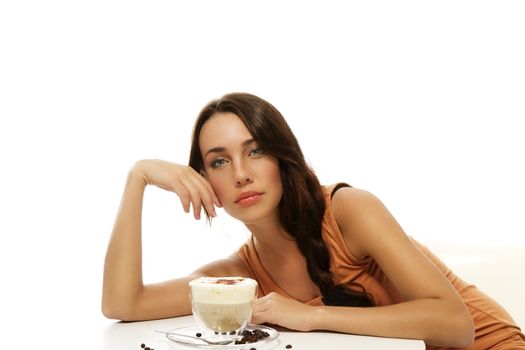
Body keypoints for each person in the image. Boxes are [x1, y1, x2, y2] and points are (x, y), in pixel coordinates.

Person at [102, 92, 525, 349]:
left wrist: (312, 316)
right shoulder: (241, 276)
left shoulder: (348, 211)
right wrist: (137, 177)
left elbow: (456, 327)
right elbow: (123, 304)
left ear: (281, 155)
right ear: (203, 180)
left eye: (255, 151)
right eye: (218, 161)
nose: (241, 173)